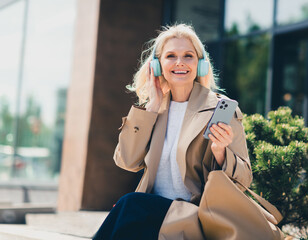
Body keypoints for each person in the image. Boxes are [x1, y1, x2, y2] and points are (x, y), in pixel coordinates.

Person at [93, 23, 252, 240]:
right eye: (171, 56)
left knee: (129, 205)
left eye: (188, 55)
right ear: (157, 66)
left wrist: (221, 152)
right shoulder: (154, 110)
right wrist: (151, 108)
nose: (180, 62)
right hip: (150, 214)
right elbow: (126, 161)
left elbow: (244, 181)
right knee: (129, 209)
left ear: (200, 64)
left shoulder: (219, 109)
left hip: (192, 215)